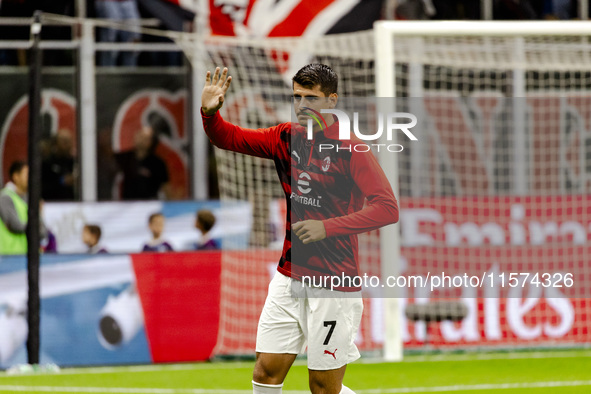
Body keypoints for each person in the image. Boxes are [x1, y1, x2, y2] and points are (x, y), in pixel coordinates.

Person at [201, 65, 399, 394]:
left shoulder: (351, 150)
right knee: (266, 372)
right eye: (297, 97)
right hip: (289, 275)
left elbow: (387, 208)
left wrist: (327, 227)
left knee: (322, 386)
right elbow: (229, 138)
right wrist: (210, 114)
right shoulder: (285, 138)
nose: (302, 105)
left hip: (334, 282)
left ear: (332, 100)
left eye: (311, 97)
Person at [0, 161, 47, 255]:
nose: (31, 178)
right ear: (15, 176)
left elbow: (43, 233)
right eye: (27, 174)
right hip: (8, 256)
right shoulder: (5, 197)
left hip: (27, 255)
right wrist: (35, 227)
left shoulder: (30, 199)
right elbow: (15, 225)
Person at [115, 126, 170, 200]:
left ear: (150, 142)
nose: (139, 138)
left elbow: (166, 188)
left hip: (149, 206)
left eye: (144, 137)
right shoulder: (124, 158)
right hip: (127, 206)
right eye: (138, 135)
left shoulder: (157, 164)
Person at [94, 0, 141, 66]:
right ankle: (107, 73)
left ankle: (130, 73)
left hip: (128, 2)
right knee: (110, 37)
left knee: (134, 37)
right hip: (108, 2)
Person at [42, 129, 76, 201]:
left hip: (72, 204)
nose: (66, 144)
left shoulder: (75, 162)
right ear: (56, 143)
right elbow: (41, 187)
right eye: (64, 141)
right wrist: (61, 181)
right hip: (52, 204)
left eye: (69, 141)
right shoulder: (47, 163)